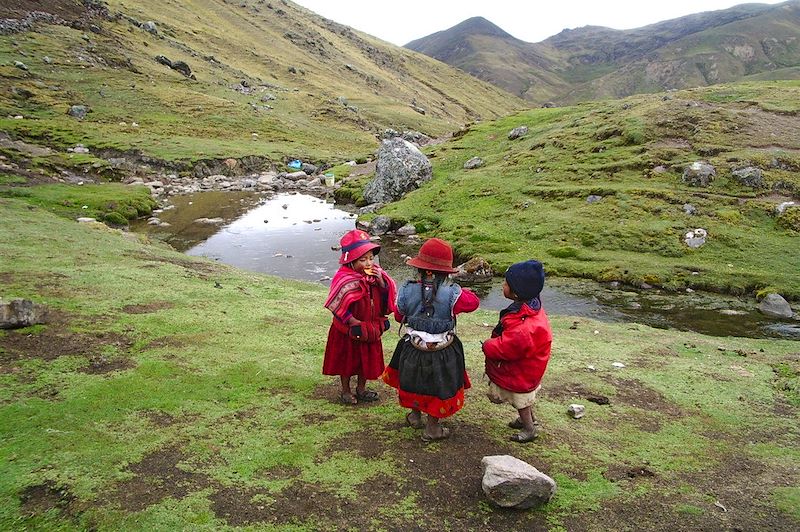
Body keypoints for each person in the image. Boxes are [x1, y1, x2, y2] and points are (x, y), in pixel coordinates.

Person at [382, 238, 479, 441]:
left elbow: (399, 316)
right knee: (438, 385)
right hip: (442, 351)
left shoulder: (407, 290)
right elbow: (473, 303)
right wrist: (455, 289)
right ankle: (432, 428)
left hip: (413, 349)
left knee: (413, 381)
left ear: (421, 269)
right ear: (445, 273)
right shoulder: (453, 293)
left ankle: (415, 416)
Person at [323, 229, 397, 405]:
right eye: (362, 260)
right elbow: (336, 304)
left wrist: (380, 282)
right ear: (350, 261)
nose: (368, 263)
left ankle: (362, 388)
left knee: (366, 361)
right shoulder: (344, 278)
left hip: (369, 327)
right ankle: (346, 390)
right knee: (346, 361)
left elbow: (387, 297)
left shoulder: (378, 275)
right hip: (348, 329)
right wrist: (352, 322)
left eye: (371, 258)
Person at [482, 260, 552, 443]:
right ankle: (526, 419)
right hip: (530, 366)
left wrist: (488, 345)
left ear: (516, 292)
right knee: (526, 400)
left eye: (506, 283)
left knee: (521, 400)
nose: (502, 285)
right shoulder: (531, 309)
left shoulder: (524, 327)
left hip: (521, 372)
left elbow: (507, 348)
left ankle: (529, 429)